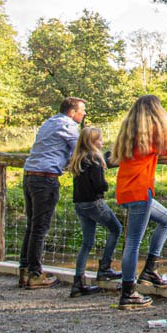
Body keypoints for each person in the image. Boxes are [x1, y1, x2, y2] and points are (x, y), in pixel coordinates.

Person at [113, 94, 167, 310]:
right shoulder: (152, 133)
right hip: (140, 193)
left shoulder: (130, 133)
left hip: (126, 191)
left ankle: (150, 270)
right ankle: (128, 293)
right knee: (133, 242)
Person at [20, 97, 85, 289]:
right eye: (82, 110)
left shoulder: (49, 122)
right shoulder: (68, 126)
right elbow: (79, 151)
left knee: (32, 226)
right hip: (45, 178)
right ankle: (35, 274)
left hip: (30, 174)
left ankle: (25, 270)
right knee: (40, 228)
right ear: (72, 112)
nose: (84, 114)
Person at [65, 126, 123, 297]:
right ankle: (105, 267)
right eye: (99, 139)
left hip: (80, 204)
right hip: (94, 202)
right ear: (92, 142)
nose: (102, 142)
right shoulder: (94, 160)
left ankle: (79, 281)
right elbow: (99, 185)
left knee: (87, 242)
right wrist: (106, 185)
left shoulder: (78, 159)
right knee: (116, 229)